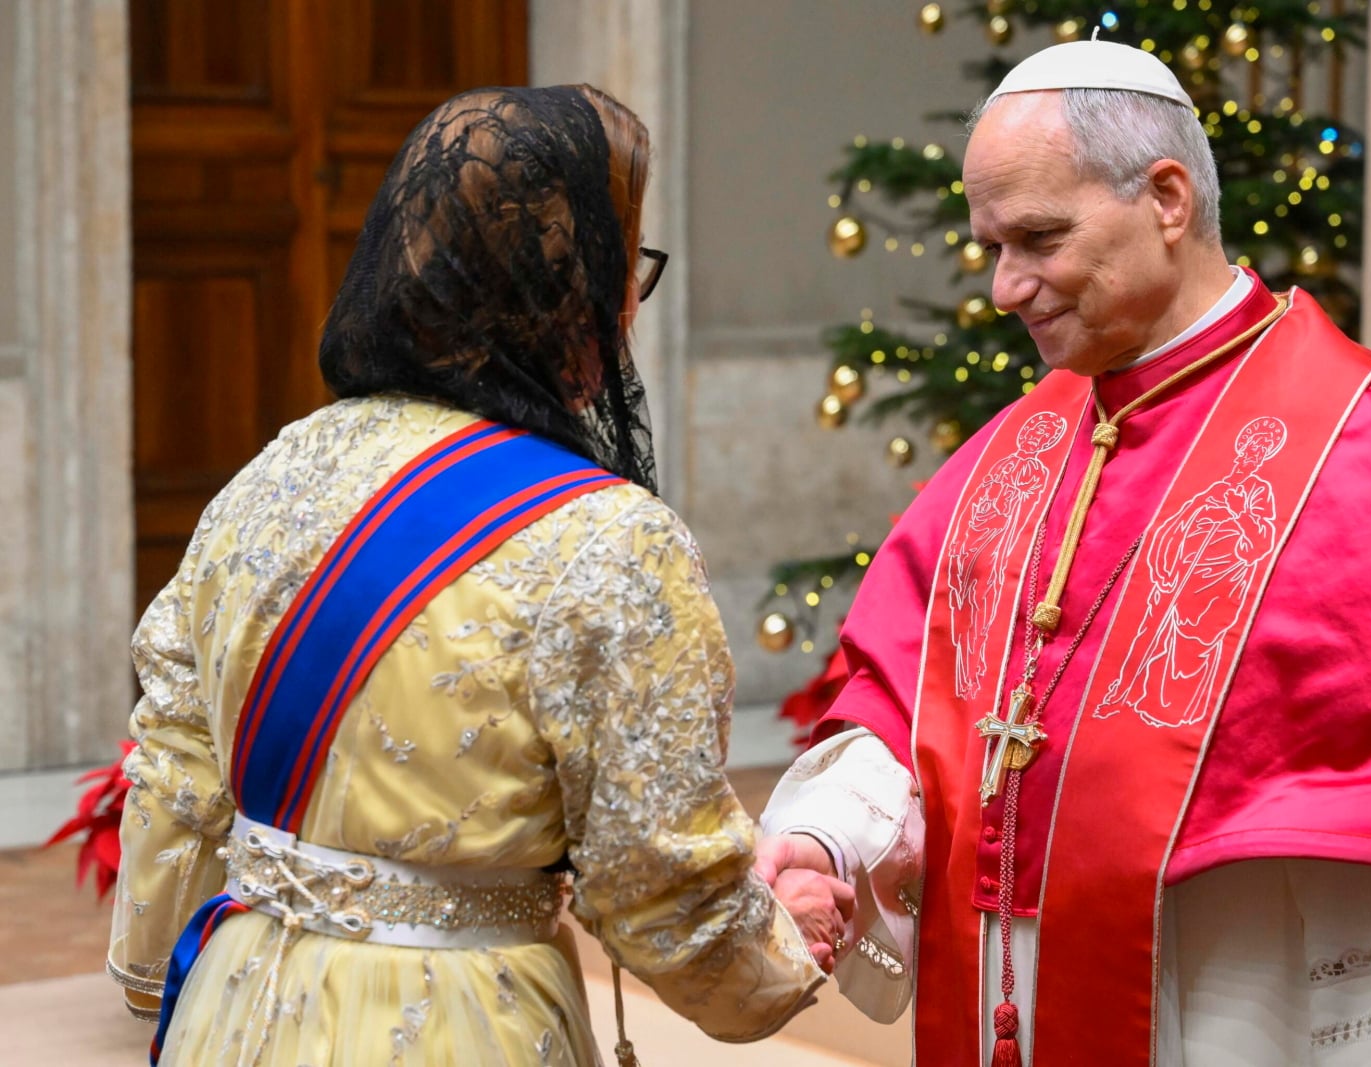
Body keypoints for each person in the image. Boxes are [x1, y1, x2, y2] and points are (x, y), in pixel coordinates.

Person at [758, 39, 1371, 1067]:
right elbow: (914, 695)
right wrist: (828, 838)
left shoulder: (1368, 446)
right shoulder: (1017, 448)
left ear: (1164, 198)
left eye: (1037, 237)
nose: (1004, 286)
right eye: (987, 244)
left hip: (1239, 1001)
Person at [107, 85, 852, 1067]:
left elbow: (175, 768)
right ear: (570, 294)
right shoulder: (611, 539)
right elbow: (657, 891)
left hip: (237, 1005)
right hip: (460, 1020)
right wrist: (781, 933)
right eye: (626, 269)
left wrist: (157, 968)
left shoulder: (276, 470)